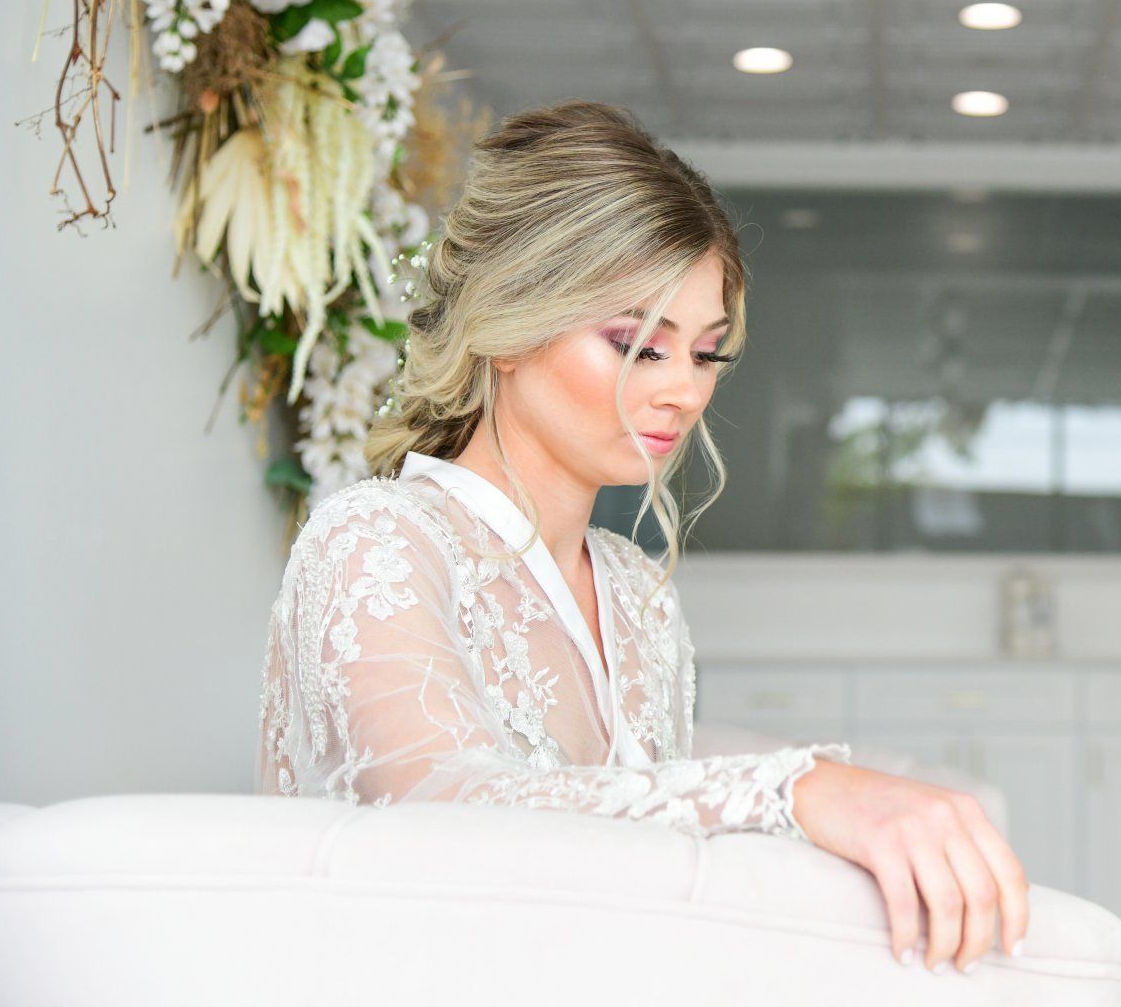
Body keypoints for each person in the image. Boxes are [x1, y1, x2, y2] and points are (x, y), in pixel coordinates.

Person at [256, 99, 1029, 975]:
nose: (686, 393)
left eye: (706, 354)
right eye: (636, 344)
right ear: (506, 329)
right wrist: (795, 788)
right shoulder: (378, 541)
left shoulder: (632, 589)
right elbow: (443, 812)